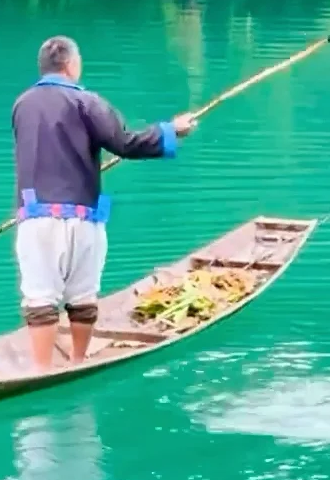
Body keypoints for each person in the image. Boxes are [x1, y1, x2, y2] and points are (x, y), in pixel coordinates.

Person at [12, 35, 198, 372]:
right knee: (82, 296)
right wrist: (171, 131)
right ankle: (79, 361)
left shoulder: (22, 104)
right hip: (83, 218)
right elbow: (125, 142)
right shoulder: (88, 102)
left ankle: (41, 370)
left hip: (36, 216)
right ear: (71, 65)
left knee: (40, 297)